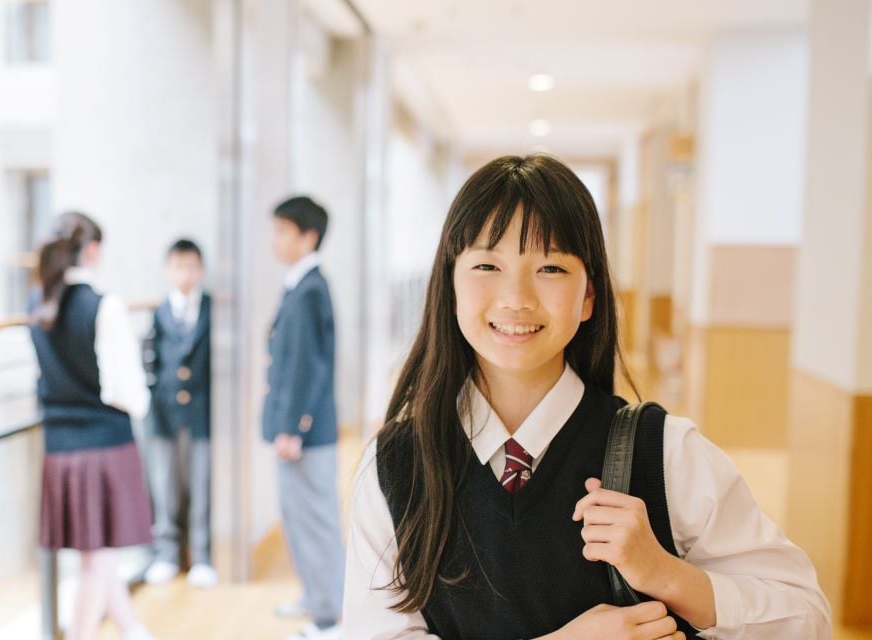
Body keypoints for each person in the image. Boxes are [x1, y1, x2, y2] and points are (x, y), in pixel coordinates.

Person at [342, 155, 832, 639]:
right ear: (449, 286)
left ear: (589, 297)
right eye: (487, 264)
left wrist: (664, 574)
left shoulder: (665, 452)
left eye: (551, 268)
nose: (516, 298)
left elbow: (806, 619)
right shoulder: (396, 465)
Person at [30, 211, 155, 640]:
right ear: (93, 250)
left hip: (60, 449)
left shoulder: (38, 304)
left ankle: (131, 629)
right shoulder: (105, 306)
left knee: (96, 554)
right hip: (105, 445)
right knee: (98, 561)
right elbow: (129, 393)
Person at [263, 196, 344, 640]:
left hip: (305, 432)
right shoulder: (299, 283)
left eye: (282, 231)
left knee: (317, 519)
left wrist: (294, 426)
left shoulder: (311, 287)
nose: (275, 240)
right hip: (294, 428)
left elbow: (308, 366)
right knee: (297, 517)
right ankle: (315, 596)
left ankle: (331, 616)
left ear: (307, 236)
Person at [143, 238, 217, 589]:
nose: (185, 273)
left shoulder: (212, 309)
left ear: (200, 269)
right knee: (165, 485)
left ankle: (201, 556)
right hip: (164, 413)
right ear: (167, 270)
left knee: (202, 485)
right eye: (178, 266)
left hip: (203, 413)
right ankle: (166, 554)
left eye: (191, 266)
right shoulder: (158, 312)